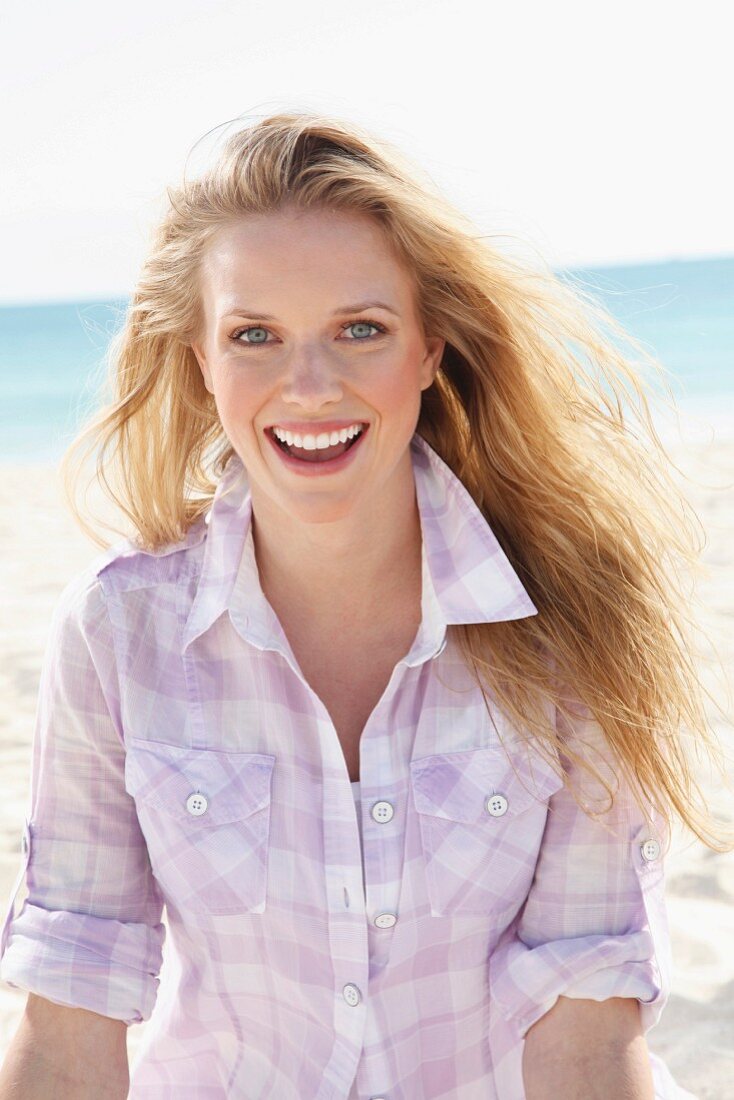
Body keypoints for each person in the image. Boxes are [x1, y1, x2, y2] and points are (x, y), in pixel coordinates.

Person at [0, 111, 729, 1100]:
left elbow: (585, 1040)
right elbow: (68, 1026)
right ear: (199, 359)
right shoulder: (118, 633)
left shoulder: (566, 619)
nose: (308, 385)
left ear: (429, 347)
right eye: (254, 334)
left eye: (359, 329)